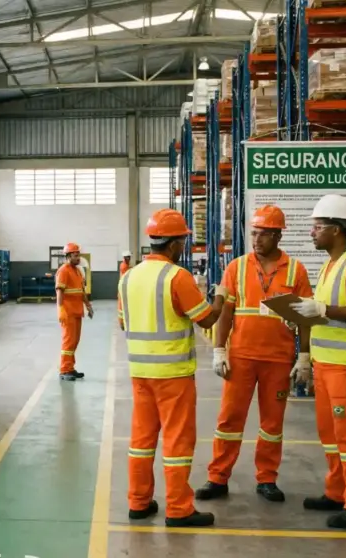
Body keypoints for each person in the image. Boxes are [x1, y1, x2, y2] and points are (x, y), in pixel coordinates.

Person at [195, 205, 313, 503]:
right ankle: (217, 477)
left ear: (278, 236)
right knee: (229, 420)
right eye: (254, 233)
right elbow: (225, 312)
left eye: (263, 234)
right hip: (241, 358)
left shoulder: (296, 270)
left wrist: (304, 356)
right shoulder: (236, 267)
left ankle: (267, 479)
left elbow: (305, 317)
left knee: (272, 424)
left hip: (278, 359)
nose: (256, 240)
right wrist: (219, 350)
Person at [118, 208, 227, 527]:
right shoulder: (177, 277)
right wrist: (220, 297)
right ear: (175, 243)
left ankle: (139, 502)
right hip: (173, 376)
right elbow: (206, 319)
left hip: (140, 373)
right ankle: (179, 509)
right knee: (177, 442)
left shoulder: (128, 277)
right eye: (183, 242)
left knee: (142, 440)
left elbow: (124, 322)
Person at [289, 194, 346, 529]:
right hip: (327, 365)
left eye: (318, 227)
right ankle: (337, 491)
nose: (312, 232)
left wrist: (322, 309)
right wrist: (301, 315)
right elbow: (326, 315)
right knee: (331, 434)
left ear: (337, 229)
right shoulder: (330, 266)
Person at [56, 242, 93, 381]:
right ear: (68, 256)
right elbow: (59, 291)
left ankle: (70, 367)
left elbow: (81, 291)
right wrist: (60, 309)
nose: (78, 258)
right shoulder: (63, 271)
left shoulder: (77, 271)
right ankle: (64, 370)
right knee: (68, 341)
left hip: (77, 312)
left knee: (75, 341)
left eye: (78, 255)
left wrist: (88, 305)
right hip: (68, 313)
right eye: (75, 255)